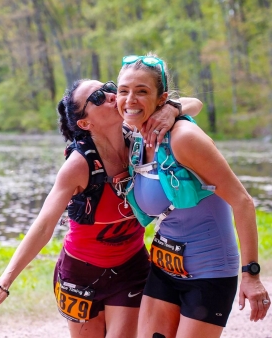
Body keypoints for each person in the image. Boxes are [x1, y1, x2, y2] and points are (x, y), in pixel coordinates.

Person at [0, 76, 202, 338]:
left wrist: (170, 109)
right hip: (79, 275)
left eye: (108, 88)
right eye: (97, 97)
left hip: (131, 268)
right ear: (85, 123)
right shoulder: (78, 165)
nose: (110, 95)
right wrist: (2, 285)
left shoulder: (141, 135)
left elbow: (194, 104)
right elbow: (44, 225)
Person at [116, 53, 271, 338]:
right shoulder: (133, 133)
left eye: (142, 91)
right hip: (164, 269)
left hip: (209, 273)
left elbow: (243, 201)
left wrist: (251, 275)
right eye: (123, 91)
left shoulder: (183, 138)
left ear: (161, 98)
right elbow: (192, 102)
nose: (130, 100)